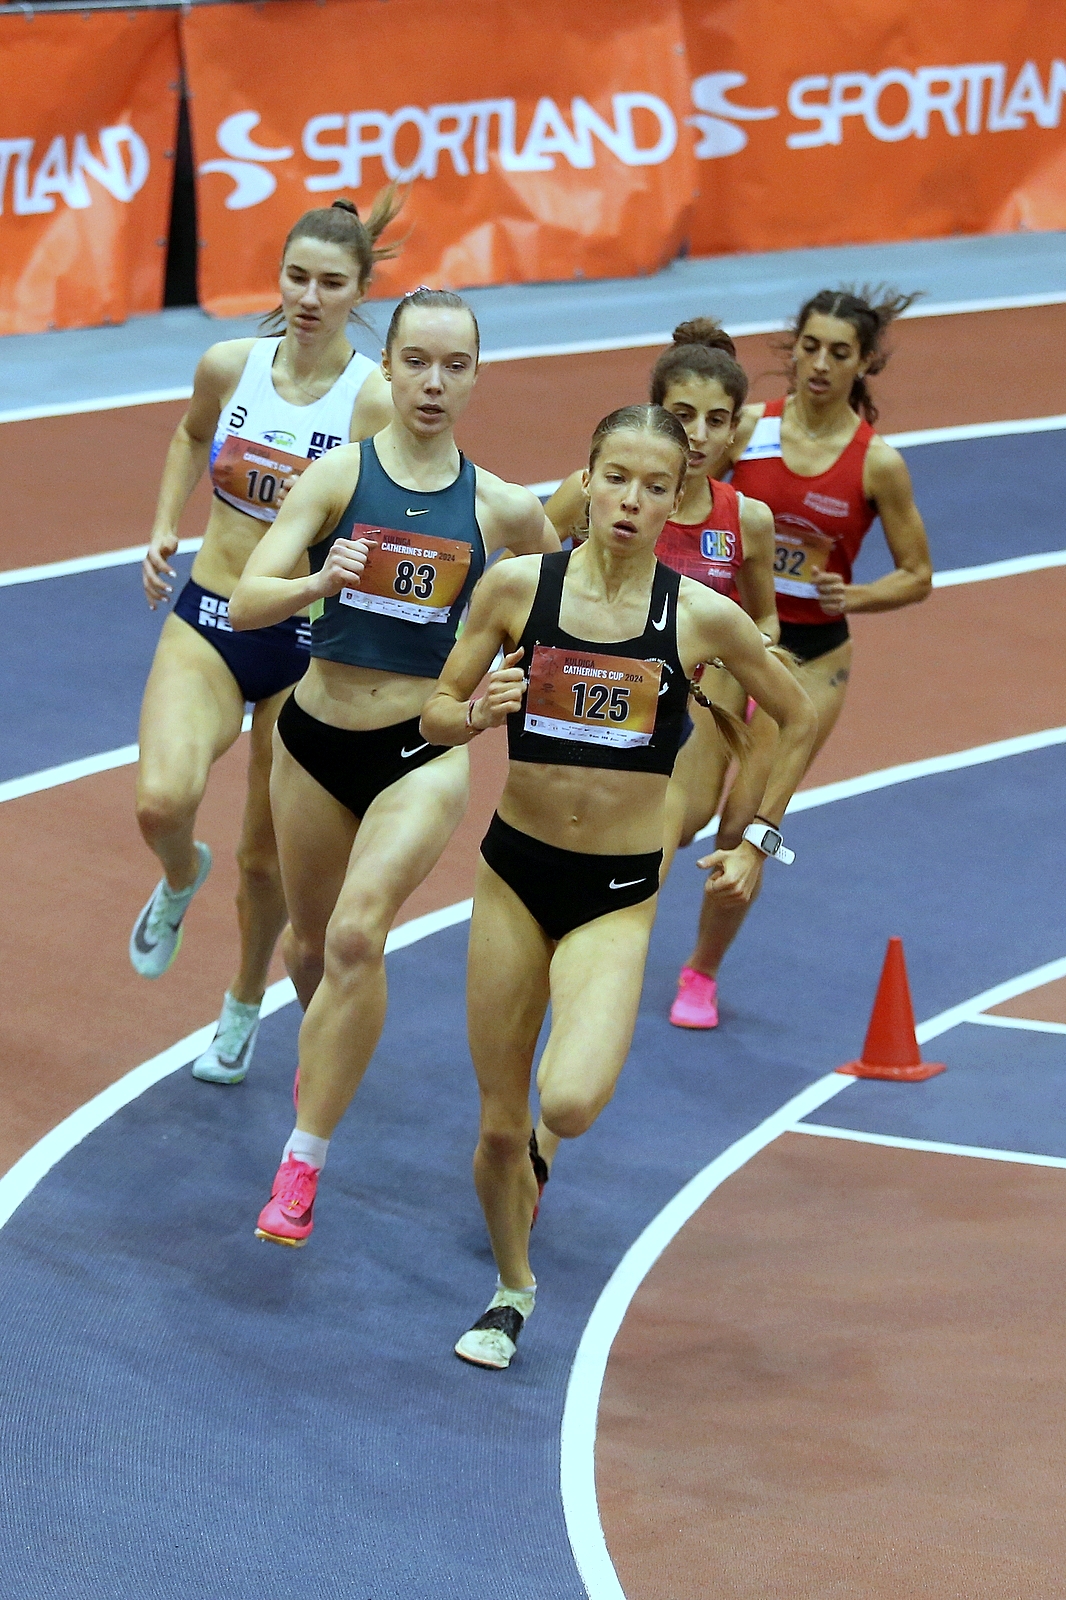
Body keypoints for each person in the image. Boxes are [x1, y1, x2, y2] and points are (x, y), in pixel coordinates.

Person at [420, 404, 817, 1368]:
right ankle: (511, 1290)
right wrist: (475, 714)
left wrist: (756, 838)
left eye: (655, 486)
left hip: (617, 891)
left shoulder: (699, 615)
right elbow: (432, 711)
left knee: (566, 1104)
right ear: (587, 481)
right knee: (500, 1125)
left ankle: (540, 1179)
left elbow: (794, 714)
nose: (632, 501)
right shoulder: (517, 588)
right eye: (617, 479)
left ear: (677, 499)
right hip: (514, 875)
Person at [226, 287, 559, 1247]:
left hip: (422, 748)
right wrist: (318, 580)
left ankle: (302, 1165)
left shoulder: (501, 506)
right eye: (416, 361)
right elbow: (246, 600)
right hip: (314, 739)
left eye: (454, 366)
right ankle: (327, 1052)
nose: (433, 382)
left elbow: (567, 604)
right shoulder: (337, 477)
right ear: (388, 368)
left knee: (356, 935)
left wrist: (515, 676)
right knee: (309, 948)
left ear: (477, 377)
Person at [130, 193, 403, 1086]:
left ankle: (242, 1006)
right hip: (212, 615)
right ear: (278, 278)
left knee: (263, 861)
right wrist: (163, 526)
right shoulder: (229, 365)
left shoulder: (373, 401)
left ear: (360, 292)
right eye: (296, 277)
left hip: (304, 644)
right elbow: (189, 434)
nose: (310, 297)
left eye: (332, 283)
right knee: (161, 803)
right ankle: (179, 877)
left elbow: (394, 517)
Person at [674, 286, 934, 1023]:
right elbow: (692, 488)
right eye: (810, 348)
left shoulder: (877, 464)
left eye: (839, 353)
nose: (820, 365)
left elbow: (918, 574)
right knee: (687, 811)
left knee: (744, 824)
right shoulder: (747, 427)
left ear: (864, 363)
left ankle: (700, 972)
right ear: (794, 351)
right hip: (735, 641)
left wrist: (855, 595)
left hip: (814, 656)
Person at [544, 322, 781, 1029]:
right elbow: (526, 558)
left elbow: (766, 617)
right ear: (656, 414)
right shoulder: (597, 492)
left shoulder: (747, 520)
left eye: (717, 420)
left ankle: (694, 968)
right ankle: (587, 962)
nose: (699, 435)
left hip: (698, 704)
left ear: (735, 429)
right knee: (606, 837)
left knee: (680, 832)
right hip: (599, 693)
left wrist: (748, 649)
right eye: (683, 415)